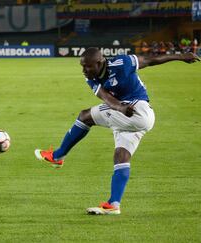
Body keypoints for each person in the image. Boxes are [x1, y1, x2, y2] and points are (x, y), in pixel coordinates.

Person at [35, 47, 200, 215]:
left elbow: (151, 60)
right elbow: (106, 98)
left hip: (138, 111)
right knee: (121, 155)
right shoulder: (90, 78)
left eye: (87, 66)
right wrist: (120, 108)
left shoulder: (122, 63)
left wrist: (181, 56)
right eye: (82, 66)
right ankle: (114, 204)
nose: (84, 70)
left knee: (85, 116)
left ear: (99, 63)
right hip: (127, 116)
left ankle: (58, 156)